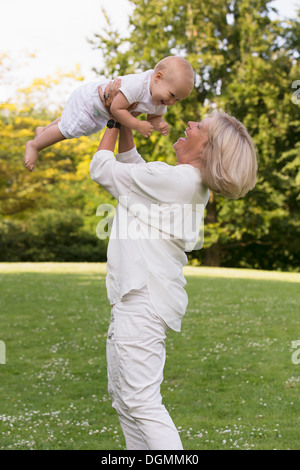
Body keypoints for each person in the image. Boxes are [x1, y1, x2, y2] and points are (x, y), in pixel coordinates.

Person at [90, 83, 257, 450]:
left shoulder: (180, 181)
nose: (191, 123)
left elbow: (102, 169)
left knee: (141, 403)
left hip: (141, 301)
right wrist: (128, 120)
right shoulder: (184, 182)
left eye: (201, 128)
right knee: (125, 401)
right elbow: (134, 169)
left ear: (207, 149)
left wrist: (113, 118)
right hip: (136, 300)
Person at [24, 56, 194, 172]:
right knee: (70, 129)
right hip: (89, 100)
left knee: (71, 120)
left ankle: (43, 130)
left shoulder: (160, 99)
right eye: (172, 95)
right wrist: (136, 124)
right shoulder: (138, 85)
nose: (172, 102)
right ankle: (35, 145)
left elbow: (154, 117)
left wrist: (159, 125)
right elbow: (116, 109)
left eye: (177, 100)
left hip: (98, 111)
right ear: (158, 77)